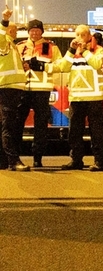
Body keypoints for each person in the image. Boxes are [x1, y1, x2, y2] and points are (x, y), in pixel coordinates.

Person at [53, 26, 103, 171]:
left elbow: (97, 64)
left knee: (97, 132)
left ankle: (100, 161)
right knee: (74, 132)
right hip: (77, 98)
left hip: (94, 98)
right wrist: (71, 51)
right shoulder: (72, 52)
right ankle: (76, 160)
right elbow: (63, 67)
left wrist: (84, 51)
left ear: (89, 36)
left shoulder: (98, 49)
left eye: (83, 34)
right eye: (77, 34)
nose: (79, 37)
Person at [17, 18, 61, 167]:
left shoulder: (51, 47)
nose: (35, 33)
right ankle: (15, 156)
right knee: (17, 123)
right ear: (28, 32)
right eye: (32, 30)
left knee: (41, 125)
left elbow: (60, 65)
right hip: (22, 89)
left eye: (37, 30)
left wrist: (42, 66)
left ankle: (37, 157)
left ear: (42, 31)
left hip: (42, 90)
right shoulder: (20, 46)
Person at [0, 8, 29, 171]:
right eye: (15, 29)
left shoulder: (11, 45)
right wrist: (4, 19)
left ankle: (3, 161)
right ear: (9, 30)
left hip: (12, 88)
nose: (17, 31)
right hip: (7, 87)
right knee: (9, 126)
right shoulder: (4, 41)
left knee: (4, 125)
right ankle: (13, 161)